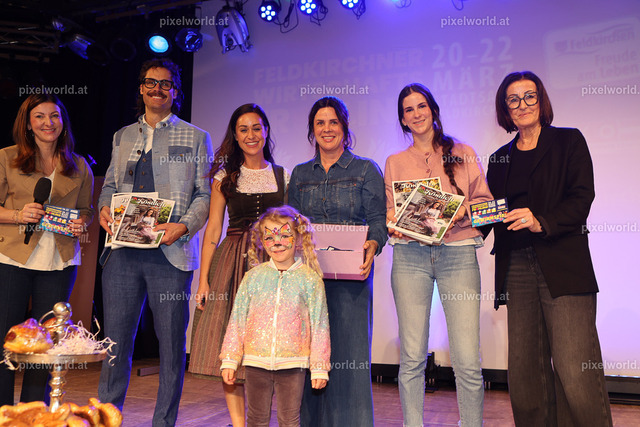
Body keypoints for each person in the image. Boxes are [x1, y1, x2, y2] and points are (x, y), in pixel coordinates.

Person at [484, 70, 612, 426]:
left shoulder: (569, 141)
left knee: (576, 372)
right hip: (516, 267)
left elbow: (581, 198)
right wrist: (451, 220)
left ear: (541, 101)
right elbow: (491, 214)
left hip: (563, 265)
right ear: (505, 109)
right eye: (513, 99)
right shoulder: (498, 159)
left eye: (530, 96)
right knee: (525, 374)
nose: (522, 104)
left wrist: (541, 221)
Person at [97, 58, 213, 427]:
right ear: (141, 88)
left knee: (172, 347)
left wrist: (184, 226)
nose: (157, 89)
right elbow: (110, 187)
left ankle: (163, 423)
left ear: (175, 91)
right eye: (150, 82)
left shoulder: (196, 137)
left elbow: (204, 194)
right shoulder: (122, 136)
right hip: (122, 252)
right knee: (115, 345)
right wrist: (103, 210)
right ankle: (107, 418)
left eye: (165, 84)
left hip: (170, 254)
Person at [385, 83, 492, 427]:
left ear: (433, 110)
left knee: (467, 359)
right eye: (408, 109)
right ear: (403, 119)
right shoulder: (394, 162)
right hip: (410, 257)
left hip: (458, 254)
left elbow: (487, 207)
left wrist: (460, 211)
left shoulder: (463, 152)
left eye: (421, 106)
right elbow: (390, 212)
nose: (416, 114)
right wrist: (394, 223)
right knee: (412, 356)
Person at [288, 96, 387, 426]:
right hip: (307, 279)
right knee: (308, 355)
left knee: (350, 356)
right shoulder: (300, 174)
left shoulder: (365, 169)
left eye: (333, 122)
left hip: (352, 279)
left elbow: (378, 219)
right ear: (312, 130)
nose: (327, 129)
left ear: (345, 127)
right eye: (320, 123)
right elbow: (291, 223)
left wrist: (374, 242)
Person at [189, 103, 288, 427]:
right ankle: (239, 423)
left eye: (256, 128)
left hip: (270, 265)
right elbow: (213, 231)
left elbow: (291, 229)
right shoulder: (224, 178)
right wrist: (204, 280)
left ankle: (260, 419)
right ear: (235, 134)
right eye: (243, 129)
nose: (251, 135)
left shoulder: (282, 176)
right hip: (231, 264)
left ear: (266, 131)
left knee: (267, 343)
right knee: (228, 343)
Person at [0, 93, 94, 405]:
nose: (48, 123)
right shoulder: (6, 157)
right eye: (39, 116)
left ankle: (33, 411)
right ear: (28, 124)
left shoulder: (79, 165)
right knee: (5, 341)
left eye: (54, 116)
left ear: (63, 121)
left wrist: (82, 222)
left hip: (59, 262)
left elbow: (86, 210)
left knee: (45, 344)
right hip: (11, 258)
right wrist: (18, 215)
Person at [220, 206, 330, 427]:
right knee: (256, 419)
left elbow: (320, 326)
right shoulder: (253, 277)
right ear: (262, 241)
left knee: (289, 420)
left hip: (293, 365)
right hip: (255, 362)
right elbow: (237, 320)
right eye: (269, 237)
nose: (277, 243)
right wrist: (230, 359)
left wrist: (319, 366)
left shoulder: (310, 280)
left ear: (298, 238)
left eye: (284, 235)